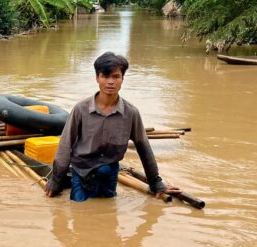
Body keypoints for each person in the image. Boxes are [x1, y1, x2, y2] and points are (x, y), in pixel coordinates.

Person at [45, 52, 180, 202]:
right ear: (97, 78)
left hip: (109, 171)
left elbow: (143, 147)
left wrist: (156, 183)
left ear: (122, 79)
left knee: (109, 213)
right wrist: (55, 181)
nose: (110, 82)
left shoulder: (131, 113)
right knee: (79, 211)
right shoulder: (81, 109)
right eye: (105, 76)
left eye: (116, 77)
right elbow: (65, 144)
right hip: (81, 170)